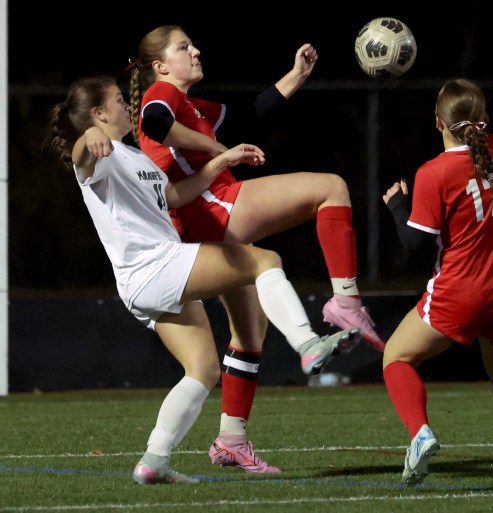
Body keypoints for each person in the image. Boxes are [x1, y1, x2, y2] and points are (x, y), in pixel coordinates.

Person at [44, 75, 361, 484]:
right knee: (263, 260)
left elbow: (174, 197)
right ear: (99, 113)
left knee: (203, 369)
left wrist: (220, 163)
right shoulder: (98, 156)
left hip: (147, 281)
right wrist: (87, 136)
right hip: (155, 267)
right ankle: (307, 343)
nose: (128, 105)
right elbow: (81, 158)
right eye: (119, 101)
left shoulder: (134, 156)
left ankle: (154, 461)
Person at [125, 25, 384, 475]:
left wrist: (294, 77)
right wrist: (215, 149)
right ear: (160, 65)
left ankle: (231, 440)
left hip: (199, 226)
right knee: (331, 188)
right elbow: (152, 122)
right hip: (211, 208)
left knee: (248, 335)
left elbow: (246, 112)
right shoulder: (162, 92)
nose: (196, 50)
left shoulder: (188, 102)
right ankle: (345, 302)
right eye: (183, 47)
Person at [381, 78, 493, 488]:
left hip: (460, 290)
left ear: (438, 122)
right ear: (480, 120)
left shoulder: (433, 172)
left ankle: (420, 433)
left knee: (395, 358)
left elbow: (413, 243)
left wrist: (395, 205)